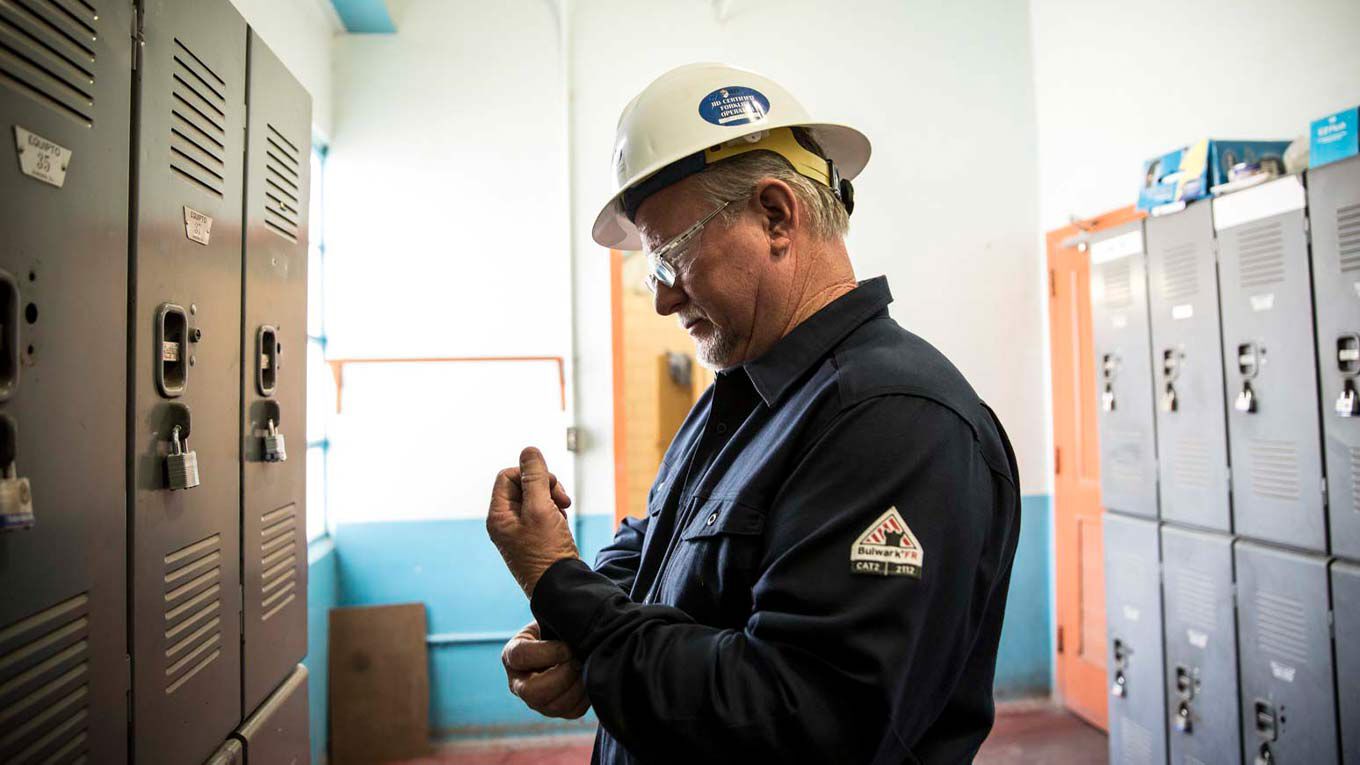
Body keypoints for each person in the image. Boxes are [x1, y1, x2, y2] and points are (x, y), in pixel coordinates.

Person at [486, 62, 1021, 764]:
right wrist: (574, 622)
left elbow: (797, 720)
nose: (663, 299)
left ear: (775, 215)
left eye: (671, 258)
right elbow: (661, 542)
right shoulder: (741, 398)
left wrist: (556, 577)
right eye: (655, 271)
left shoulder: (891, 421)